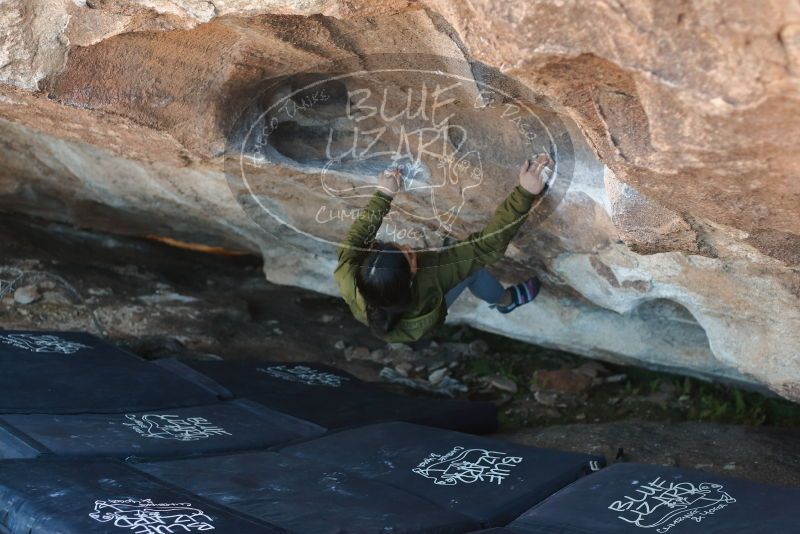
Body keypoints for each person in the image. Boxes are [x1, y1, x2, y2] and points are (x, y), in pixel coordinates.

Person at [334, 154, 553, 342]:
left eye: (397, 246)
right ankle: (507, 301)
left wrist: (384, 194)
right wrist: (525, 193)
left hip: (384, 312)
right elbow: (485, 246)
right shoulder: (431, 281)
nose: (408, 247)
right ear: (412, 275)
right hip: (423, 317)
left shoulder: (347, 274)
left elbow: (358, 234)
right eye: (409, 255)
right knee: (473, 271)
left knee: (462, 261)